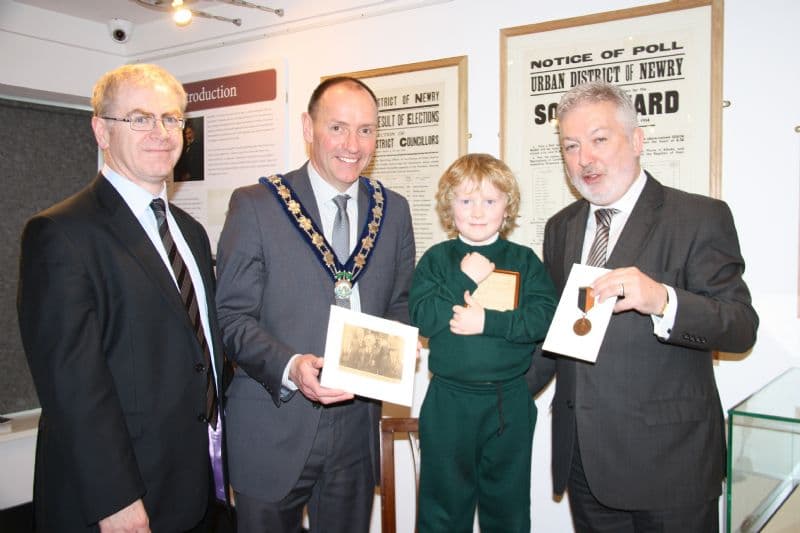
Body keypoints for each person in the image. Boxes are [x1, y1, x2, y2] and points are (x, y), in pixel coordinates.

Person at [527, 81, 759, 532]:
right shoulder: (561, 228)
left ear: (636, 141)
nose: (584, 159)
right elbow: (557, 333)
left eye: (599, 139)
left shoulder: (698, 217)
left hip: (671, 465)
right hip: (585, 462)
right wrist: (481, 388)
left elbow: (740, 326)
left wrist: (663, 300)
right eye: (570, 146)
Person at [17, 64, 228, 532]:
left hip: (192, 486)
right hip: (118, 501)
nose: (160, 132)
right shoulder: (61, 233)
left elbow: (199, 354)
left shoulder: (189, 233)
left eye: (171, 119)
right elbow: (72, 388)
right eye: (140, 118)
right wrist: (117, 501)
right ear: (101, 130)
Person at [215, 76, 415, 532]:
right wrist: (291, 367)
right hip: (273, 423)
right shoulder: (257, 205)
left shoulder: (394, 209)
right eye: (338, 127)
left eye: (366, 130)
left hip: (355, 430)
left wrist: (402, 346)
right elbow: (230, 317)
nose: (352, 144)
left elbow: (399, 303)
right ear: (308, 127)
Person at [409, 153, 558, 532]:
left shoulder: (523, 260)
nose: (477, 212)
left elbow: (543, 319)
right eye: (465, 201)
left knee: (507, 511)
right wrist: (465, 281)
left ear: (506, 206)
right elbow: (423, 317)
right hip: (448, 401)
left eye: (490, 201)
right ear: (449, 206)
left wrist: (486, 322)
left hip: (507, 401)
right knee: (442, 508)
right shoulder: (438, 259)